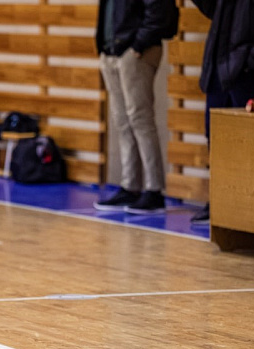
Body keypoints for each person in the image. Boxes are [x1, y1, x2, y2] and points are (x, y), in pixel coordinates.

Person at [189, 0, 254, 225]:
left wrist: (252, 63)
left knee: (247, 143)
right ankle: (218, 201)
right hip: (218, 67)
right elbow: (211, 8)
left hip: (245, 73)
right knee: (215, 138)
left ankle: (247, 209)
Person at [93, 0, 178, 215]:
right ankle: (130, 185)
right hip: (111, 52)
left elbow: (159, 12)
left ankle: (154, 190)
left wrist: (138, 45)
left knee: (140, 120)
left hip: (135, 52)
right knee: (122, 121)